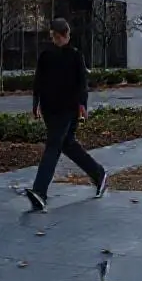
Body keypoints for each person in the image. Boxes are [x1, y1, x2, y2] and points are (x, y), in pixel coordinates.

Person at [24, 18, 108, 212]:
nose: (57, 39)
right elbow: (39, 80)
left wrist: (82, 105)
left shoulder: (75, 55)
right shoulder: (46, 55)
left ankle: (40, 192)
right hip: (50, 109)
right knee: (67, 144)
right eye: (54, 36)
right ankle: (99, 174)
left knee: (53, 145)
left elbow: (81, 83)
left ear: (64, 35)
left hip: (67, 109)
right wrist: (36, 104)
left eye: (58, 35)